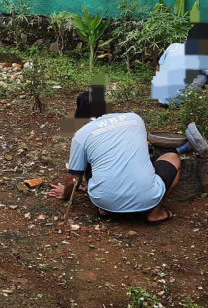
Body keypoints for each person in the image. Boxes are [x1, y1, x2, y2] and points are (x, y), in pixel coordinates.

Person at [47, 92, 181, 225]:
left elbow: (74, 178)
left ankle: (105, 209)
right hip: (148, 197)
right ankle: (155, 212)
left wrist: (65, 193)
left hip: (106, 200)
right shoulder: (135, 119)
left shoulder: (82, 135)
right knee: (173, 157)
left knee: (90, 158)